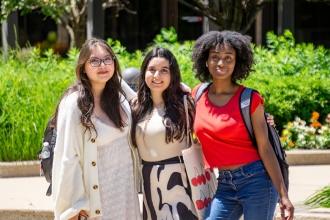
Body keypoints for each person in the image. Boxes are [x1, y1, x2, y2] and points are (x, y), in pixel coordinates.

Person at [191, 31, 294, 220]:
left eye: (228, 58)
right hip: (224, 182)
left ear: (237, 62)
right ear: (205, 60)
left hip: (257, 181)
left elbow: (266, 149)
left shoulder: (249, 99)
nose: (221, 63)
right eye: (215, 57)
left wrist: (283, 194)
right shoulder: (197, 94)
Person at [52, 38, 141, 220]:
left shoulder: (119, 97)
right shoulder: (74, 105)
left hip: (125, 193)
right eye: (94, 61)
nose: (103, 65)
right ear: (83, 67)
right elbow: (68, 159)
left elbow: (147, 102)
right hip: (97, 200)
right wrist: (73, 207)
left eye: (108, 59)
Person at [130, 47, 198, 220]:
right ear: (144, 72)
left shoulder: (185, 102)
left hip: (179, 180)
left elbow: (211, 124)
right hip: (149, 182)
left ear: (172, 74)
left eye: (164, 71)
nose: (157, 76)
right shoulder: (136, 106)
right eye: (151, 70)